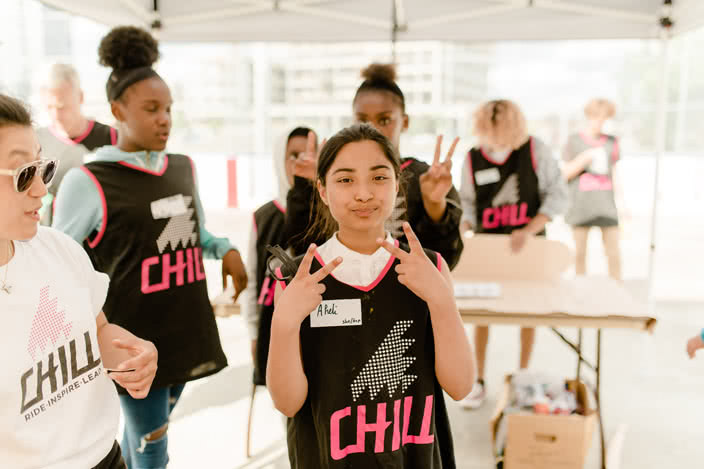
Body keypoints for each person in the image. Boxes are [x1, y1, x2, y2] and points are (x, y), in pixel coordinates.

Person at [52, 26, 247, 469]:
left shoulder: (181, 167)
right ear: (118, 110)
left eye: (169, 109)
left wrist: (226, 249)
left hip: (184, 328)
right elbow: (57, 259)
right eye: (152, 109)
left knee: (146, 436)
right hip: (133, 340)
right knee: (153, 445)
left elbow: (193, 233)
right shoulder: (89, 181)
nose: (165, 119)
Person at [267, 123, 475, 468]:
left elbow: (461, 386)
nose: (363, 193)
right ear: (321, 190)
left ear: (397, 185)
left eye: (379, 177)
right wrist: (284, 324)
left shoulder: (430, 267)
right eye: (345, 180)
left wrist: (441, 301)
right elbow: (288, 403)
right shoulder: (298, 279)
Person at [0, 93, 157, 468]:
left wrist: (130, 354)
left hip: (107, 457)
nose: (41, 188)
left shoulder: (59, 249)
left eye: (43, 168)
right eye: (23, 174)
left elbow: (98, 328)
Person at [283, 63, 464, 270]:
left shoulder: (427, 177)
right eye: (362, 119)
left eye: (385, 119)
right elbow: (303, 250)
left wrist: (435, 205)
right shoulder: (332, 174)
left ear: (404, 122)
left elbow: (444, 262)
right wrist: (307, 189)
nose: (372, 128)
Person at [459, 99, 568, 409]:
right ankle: (477, 379)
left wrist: (530, 229)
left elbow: (557, 194)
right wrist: (465, 224)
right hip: (487, 247)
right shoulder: (471, 158)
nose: (496, 140)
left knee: (528, 311)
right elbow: (466, 201)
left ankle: (522, 375)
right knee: (482, 314)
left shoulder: (535, 150)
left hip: (528, 246)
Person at [242, 126, 317, 385]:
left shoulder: (328, 213)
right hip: (272, 323)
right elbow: (252, 279)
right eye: (293, 155)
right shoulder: (263, 217)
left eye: (310, 153)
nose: (302, 162)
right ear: (279, 158)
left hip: (316, 325)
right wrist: (253, 331)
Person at [36, 63, 117, 225]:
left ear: (80, 98)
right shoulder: (37, 141)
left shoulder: (112, 138)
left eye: (62, 106)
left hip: (104, 230)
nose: (56, 115)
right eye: (49, 107)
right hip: (58, 230)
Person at [562, 98, 625, 280]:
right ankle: (580, 291)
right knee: (579, 253)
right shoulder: (574, 141)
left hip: (606, 205)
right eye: (597, 117)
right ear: (589, 116)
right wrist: (585, 158)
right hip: (580, 205)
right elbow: (565, 173)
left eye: (605, 118)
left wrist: (622, 204)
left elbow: (614, 173)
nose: (601, 122)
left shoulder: (612, 142)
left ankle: (616, 288)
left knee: (613, 252)